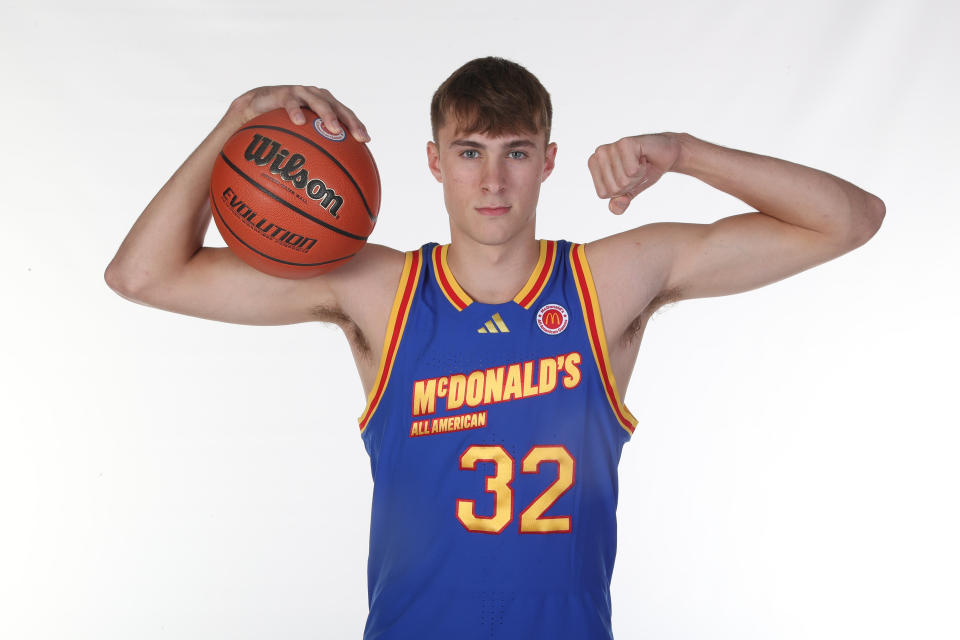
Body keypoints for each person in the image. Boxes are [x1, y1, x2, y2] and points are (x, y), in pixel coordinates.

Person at [105, 57, 884, 639]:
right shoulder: (378, 289)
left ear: (547, 161)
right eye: (470, 151)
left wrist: (683, 151)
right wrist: (236, 120)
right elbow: (142, 275)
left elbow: (849, 220)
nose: (493, 180)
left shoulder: (606, 280)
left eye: (516, 151)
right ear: (435, 162)